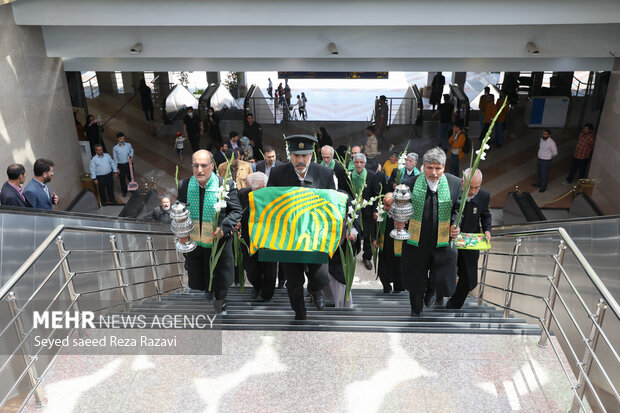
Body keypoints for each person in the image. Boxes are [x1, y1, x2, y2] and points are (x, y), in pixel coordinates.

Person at [267, 134, 336, 320]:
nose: (300, 160)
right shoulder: (277, 174)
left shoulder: (325, 174)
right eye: (296, 155)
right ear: (290, 155)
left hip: (316, 236)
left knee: (321, 277)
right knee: (294, 281)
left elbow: (333, 204)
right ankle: (300, 313)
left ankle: (314, 289)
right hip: (289, 237)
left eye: (304, 156)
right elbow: (270, 204)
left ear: (312, 155)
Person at [393, 147, 462, 317]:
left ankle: (432, 289)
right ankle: (416, 310)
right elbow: (399, 209)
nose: (434, 172)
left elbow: (459, 209)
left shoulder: (454, 183)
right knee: (416, 277)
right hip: (417, 240)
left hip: (442, 239)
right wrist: (398, 221)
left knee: (440, 272)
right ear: (423, 167)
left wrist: (455, 225)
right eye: (430, 168)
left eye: (438, 168)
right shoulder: (410, 183)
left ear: (444, 168)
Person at [177, 150, 242, 313]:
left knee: (220, 276)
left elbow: (236, 211)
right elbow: (180, 210)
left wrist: (224, 227)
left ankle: (221, 304)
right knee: (202, 273)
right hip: (196, 242)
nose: (199, 170)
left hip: (218, 241)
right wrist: (181, 232)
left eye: (204, 165)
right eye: (196, 165)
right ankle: (208, 289)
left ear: (212, 166)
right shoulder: (184, 185)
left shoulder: (225, 184)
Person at [446, 168, 492, 309]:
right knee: (445, 271)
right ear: (462, 182)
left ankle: (454, 305)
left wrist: (487, 230)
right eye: (470, 187)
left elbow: (486, 215)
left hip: (470, 242)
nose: (473, 191)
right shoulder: (452, 194)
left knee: (469, 277)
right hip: (451, 240)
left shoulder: (484, 196)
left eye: (476, 187)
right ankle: (437, 294)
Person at [237, 172, 278, 301]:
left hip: (269, 238)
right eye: (254, 189)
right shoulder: (243, 194)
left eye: (260, 190)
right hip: (249, 238)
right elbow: (236, 211)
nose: (257, 193)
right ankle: (257, 286)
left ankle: (267, 294)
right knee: (251, 270)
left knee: (270, 271)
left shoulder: (273, 196)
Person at [351, 153, 382, 271]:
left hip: (368, 211)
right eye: (356, 162)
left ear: (365, 163)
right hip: (353, 211)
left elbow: (377, 194)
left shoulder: (372, 176)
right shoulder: (349, 175)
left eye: (361, 162)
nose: (359, 165)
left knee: (368, 235)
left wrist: (375, 210)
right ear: (354, 163)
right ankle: (352, 254)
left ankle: (367, 257)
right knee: (354, 233)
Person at [373, 193, 404, 293]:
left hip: (398, 249)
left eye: (388, 205)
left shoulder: (404, 215)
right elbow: (377, 227)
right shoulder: (382, 213)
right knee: (383, 270)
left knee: (398, 272)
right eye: (384, 204)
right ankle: (386, 288)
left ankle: (399, 291)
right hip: (385, 246)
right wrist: (375, 239)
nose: (385, 208)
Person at [112, 132, 135, 197]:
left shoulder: (128, 145)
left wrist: (130, 156)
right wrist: (116, 168)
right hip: (120, 165)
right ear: (117, 139)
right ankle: (124, 191)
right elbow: (115, 158)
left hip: (128, 164)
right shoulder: (115, 148)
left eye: (123, 138)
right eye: (120, 139)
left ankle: (132, 190)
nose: (122, 140)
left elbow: (132, 150)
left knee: (131, 178)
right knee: (122, 179)